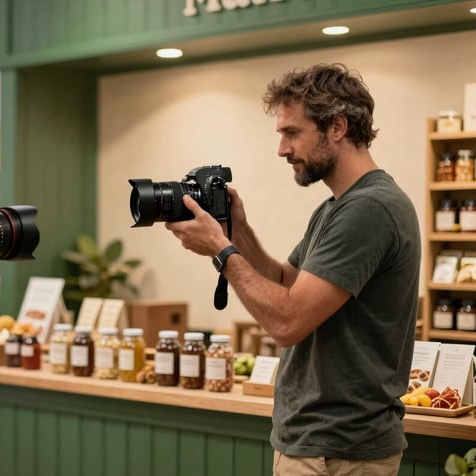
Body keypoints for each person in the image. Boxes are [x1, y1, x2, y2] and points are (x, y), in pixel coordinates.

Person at [165, 63, 420, 475]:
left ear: (336, 127)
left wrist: (221, 251)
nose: (282, 149)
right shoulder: (338, 206)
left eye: (292, 133)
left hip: (339, 450)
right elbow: (285, 281)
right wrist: (239, 232)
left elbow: (288, 323)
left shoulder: (369, 209)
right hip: (320, 442)